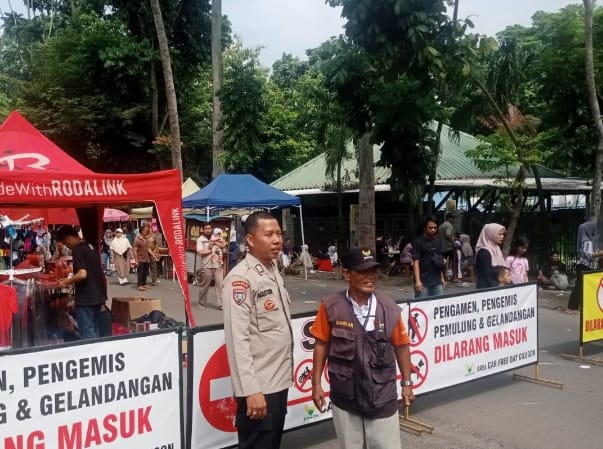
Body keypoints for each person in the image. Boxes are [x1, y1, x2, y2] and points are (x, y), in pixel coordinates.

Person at [310, 247, 415, 449]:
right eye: (363, 272)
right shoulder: (330, 306)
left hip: (381, 395)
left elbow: (402, 346)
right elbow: (321, 344)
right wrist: (316, 385)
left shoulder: (389, 309)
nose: (370, 277)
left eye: (373, 271)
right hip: (345, 396)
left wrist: (407, 384)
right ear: (347, 274)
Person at [222, 211, 293, 449]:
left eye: (279, 234)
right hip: (259, 387)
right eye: (269, 235)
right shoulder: (240, 279)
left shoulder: (273, 270)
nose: (277, 240)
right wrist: (250, 390)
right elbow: (237, 341)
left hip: (278, 382)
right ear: (250, 240)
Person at [56, 225, 107, 339]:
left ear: (68, 238)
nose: (67, 246)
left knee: (88, 334)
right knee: (96, 331)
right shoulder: (90, 246)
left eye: (65, 243)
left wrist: (67, 281)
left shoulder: (78, 249)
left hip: (86, 299)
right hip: (98, 296)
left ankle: (91, 349)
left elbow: (82, 274)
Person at [566, 220, 603, 314]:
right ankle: (571, 308)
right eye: (593, 229)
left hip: (584, 266)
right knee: (579, 287)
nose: (594, 231)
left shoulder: (587, 240)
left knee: (583, 287)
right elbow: (589, 254)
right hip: (585, 266)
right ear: (589, 229)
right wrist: (600, 253)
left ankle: (577, 307)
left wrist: (598, 253)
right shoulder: (587, 241)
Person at [412, 216, 446, 298]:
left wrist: (442, 277)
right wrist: (417, 281)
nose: (433, 230)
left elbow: (440, 261)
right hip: (423, 283)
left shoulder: (438, 242)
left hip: (437, 282)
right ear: (425, 228)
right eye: (430, 228)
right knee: (422, 305)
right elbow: (416, 262)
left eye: (435, 228)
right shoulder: (418, 242)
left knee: (439, 304)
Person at [196, 223, 225, 309]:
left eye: (209, 228)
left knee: (220, 285)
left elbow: (223, 245)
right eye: (206, 228)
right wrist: (211, 250)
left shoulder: (216, 237)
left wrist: (215, 242)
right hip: (206, 266)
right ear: (203, 230)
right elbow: (200, 252)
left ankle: (221, 304)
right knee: (205, 286)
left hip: (217, 265)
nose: (208, 230)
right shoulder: (200, 239)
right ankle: (201, 303)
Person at [474, 223, 506, 289]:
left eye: (503, 234)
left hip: (495, 286)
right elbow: (488, 274)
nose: (502, 236)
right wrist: (498, 288)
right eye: (499, 234)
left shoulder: (496, 249)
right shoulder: (484, 252)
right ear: (490, 234)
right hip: (487, 289)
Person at [438, 211, 458, 281]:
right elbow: (448, 234)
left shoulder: (441, 226)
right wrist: (453, 242)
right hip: (450, 247)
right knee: (454, 262)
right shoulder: (449, 225)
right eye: (452, 218)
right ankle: (455, 277)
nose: (453, 219)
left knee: (443, 262)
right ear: (448, 218)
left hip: (442, 247)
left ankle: (443, 277)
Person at [133, 224, 151, 291]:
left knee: (145, 272)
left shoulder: (146, 239)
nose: (147, 231)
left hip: (146, 258)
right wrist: (136, 260)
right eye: (146, 230)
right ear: (142, 231)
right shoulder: (137, 240)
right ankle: (140, 285)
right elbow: (134, 250)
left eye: (147, 230)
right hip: (140, 258)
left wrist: (154, 255)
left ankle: (144, 284)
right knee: (140, 273)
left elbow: (148, 249)